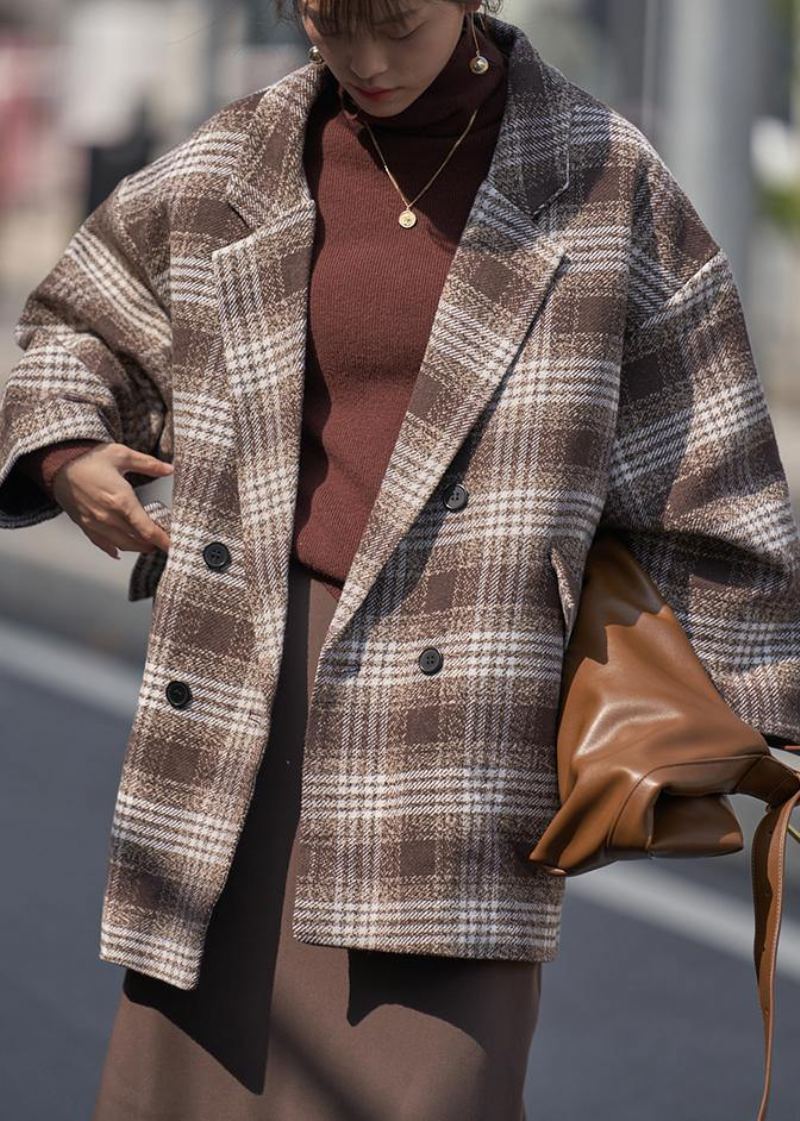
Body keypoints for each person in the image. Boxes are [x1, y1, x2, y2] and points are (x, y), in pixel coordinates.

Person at [1, 2, 798, 1119]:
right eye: (335, 25)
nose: (368, 64)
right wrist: (66, 451)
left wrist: (767, 703)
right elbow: (75, 325)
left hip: (461, 739)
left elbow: (712, 476)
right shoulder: (240, 158)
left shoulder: (599, 179)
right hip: (240, 707)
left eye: (401, 26)